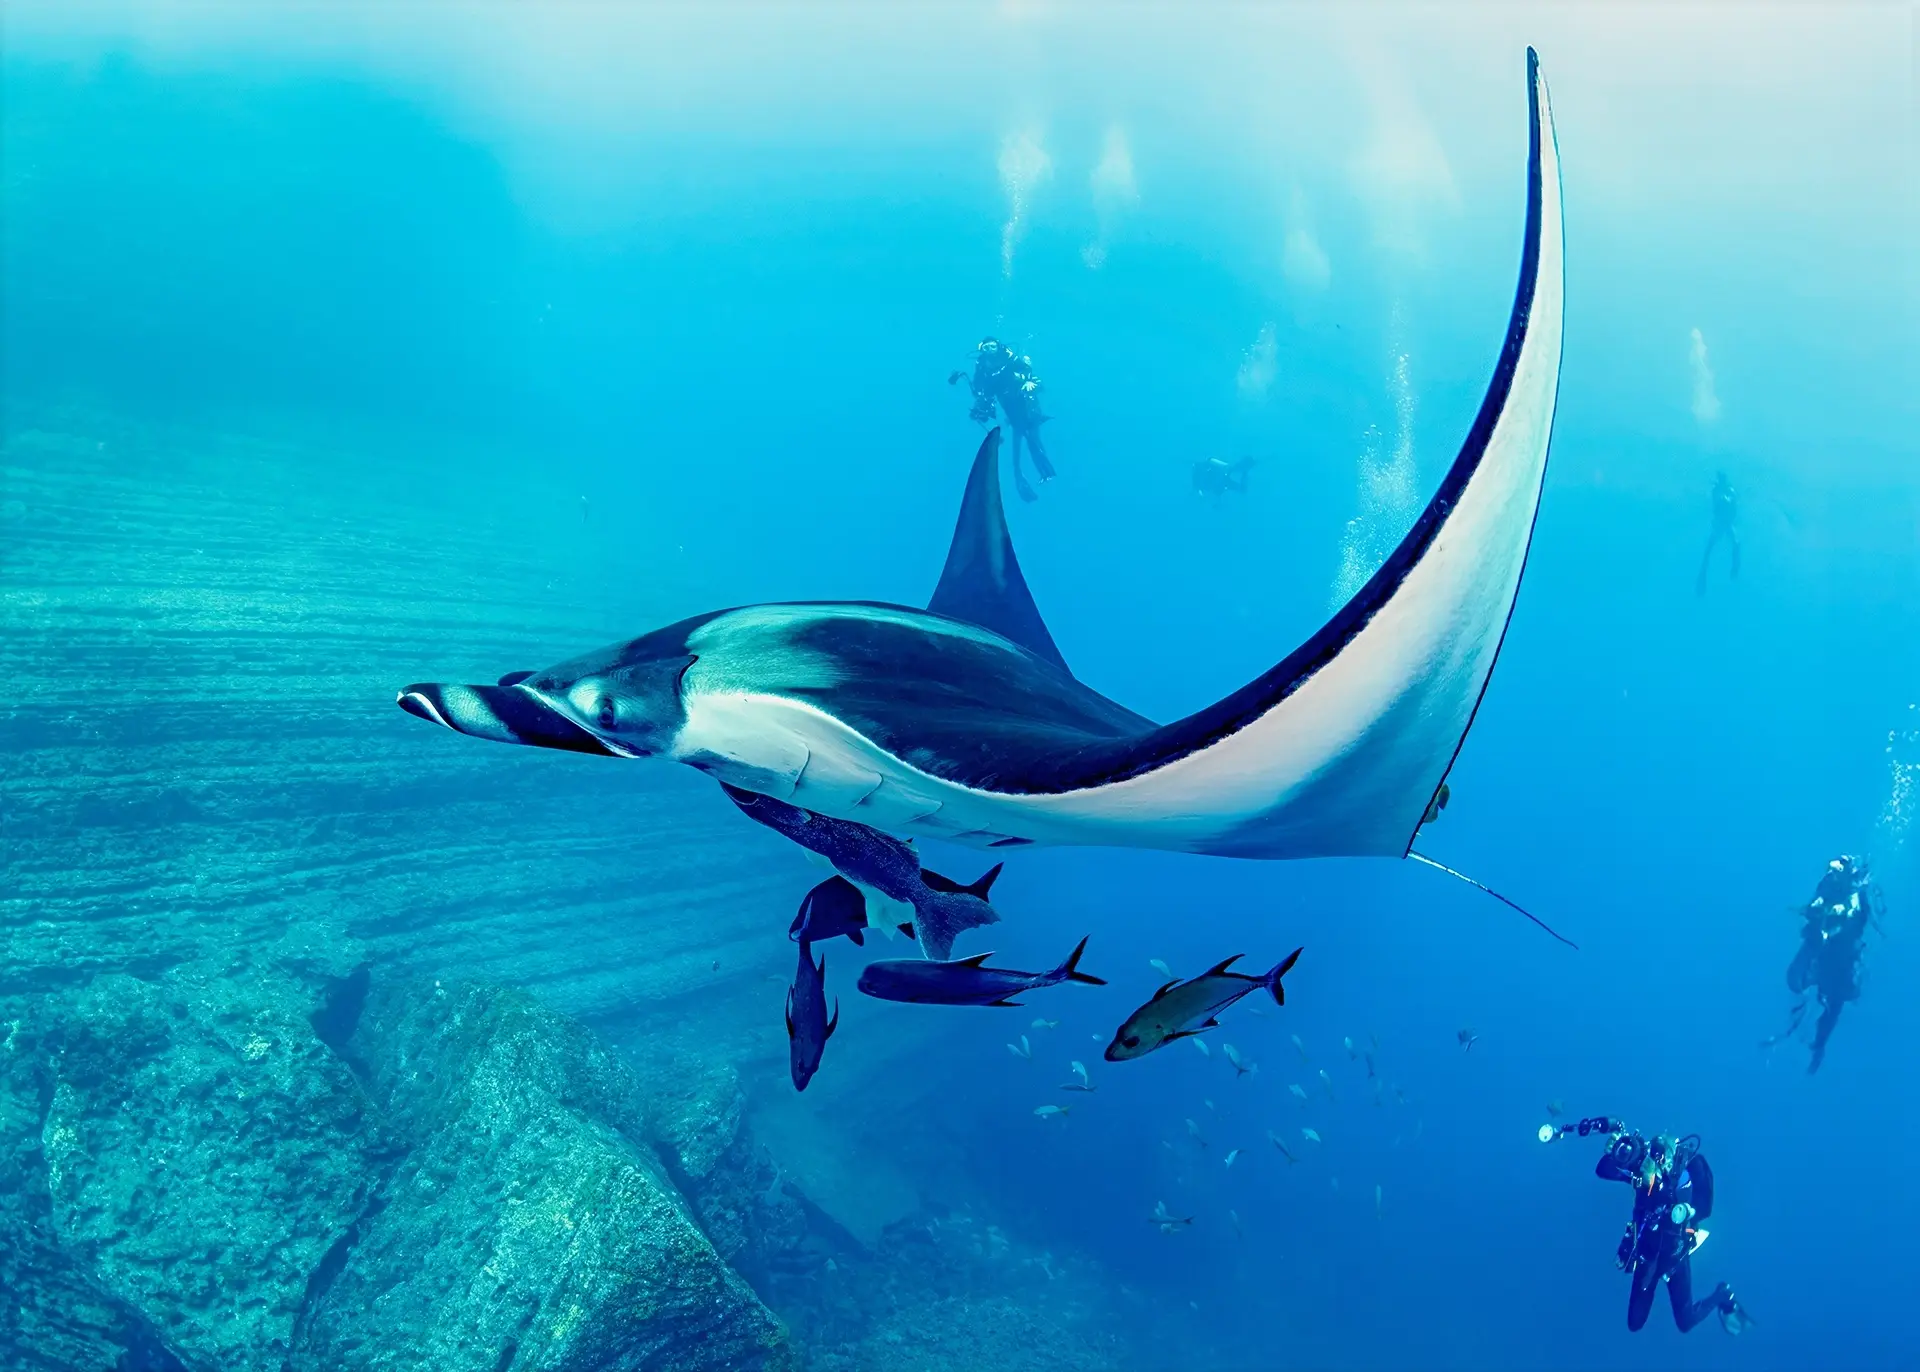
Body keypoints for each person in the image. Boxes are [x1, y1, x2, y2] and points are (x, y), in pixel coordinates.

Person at [1543, 1116, 1750, 1335]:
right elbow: (1602, 1169)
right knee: (1635, 1323)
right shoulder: (1640, 1169)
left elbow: (1701, 1206)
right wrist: (1614, 1154)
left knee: (1685, 1321)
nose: (1649, 1168)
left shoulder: (1686, 1172)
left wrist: (1683, 1212)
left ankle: (1722, 1294)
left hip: (1675, 1254)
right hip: (1646, 1251)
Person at [1780, 855, 1877, 1073]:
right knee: (1799, 981)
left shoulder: (1856, 893)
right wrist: (1814, 911)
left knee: (1834, 1001)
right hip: (1822, 948)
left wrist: (1833, 913)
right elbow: (1816, 902)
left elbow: (1852, 913)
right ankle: (1803, 1025)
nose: (1834, 874)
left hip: (1843, 955)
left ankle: (1818, 1045)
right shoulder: (1826, 884)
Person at [949, 338, 1055, 502]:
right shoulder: (982, 365)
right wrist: (981, 406)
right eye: (986, 347)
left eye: (992, 346)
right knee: (1021, 439)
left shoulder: (1008, 357)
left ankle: (1045, 472)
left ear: (998, 346)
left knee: (1030, 438)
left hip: (1026, 406)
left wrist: (1028, 383)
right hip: (1010, 409)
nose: (990, 350)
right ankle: (1028, 476)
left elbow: (1030, 375)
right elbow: (980, 389)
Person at [1695, 470, 1740, 595]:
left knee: (1735, 542)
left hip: (1726, 523)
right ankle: (1703, 573)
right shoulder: (1717, 490)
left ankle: (1735, 567)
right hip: (1721, 523)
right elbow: (1719, 501)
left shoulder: (1729, 490)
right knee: (1712, 546)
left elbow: (1732, 503)